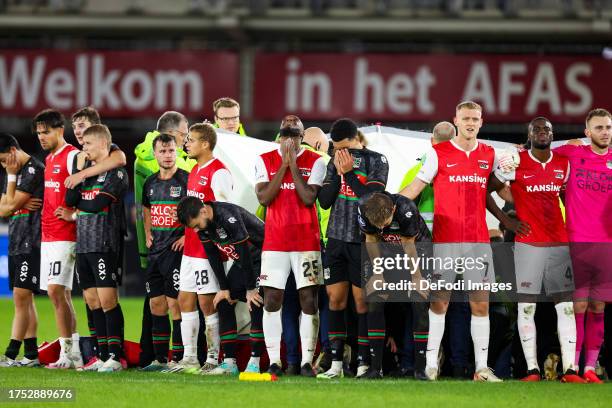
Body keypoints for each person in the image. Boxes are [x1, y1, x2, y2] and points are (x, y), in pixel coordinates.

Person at [400, 101, 502, 382]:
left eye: (475, 118)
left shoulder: (489, 155)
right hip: (444, 241)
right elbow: (415, 188)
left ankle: (481, 368)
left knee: (480, 305)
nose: (470, 123)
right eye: (466, 118)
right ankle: (431, 365)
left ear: (482, 122)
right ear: (456, 119)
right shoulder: (437, 153)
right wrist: (391, 203)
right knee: (439, 304)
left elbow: (502, 193)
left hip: (478, 242)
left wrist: (514, 173)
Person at [487, 117, 583, 383]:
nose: (542, 133)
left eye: (547, 130)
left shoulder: (563, 165)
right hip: (528, 244)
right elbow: (487, 191)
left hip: (559, 242)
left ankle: (571, 371)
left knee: (565, 307)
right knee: (526, 307)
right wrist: (506, 221)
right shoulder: (515, 162)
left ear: (553, 135)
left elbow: (568, 199)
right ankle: (532, 370)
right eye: (537, 129)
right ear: (529, 134)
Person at [255, 114, 326, 376]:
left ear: (302, 137)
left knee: (309, 299)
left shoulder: (316, 161)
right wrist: (283, 165)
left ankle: (307, 361)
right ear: (280, 136)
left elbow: (308, 198)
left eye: (295, 135)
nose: (290, 139)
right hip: (275, 243)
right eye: (285, 134)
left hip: (307, 242)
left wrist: (291, 165)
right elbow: (264, 198)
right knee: (272, 300)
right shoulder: (263, 159)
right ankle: (275, 360)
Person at [317, 118, 389, 379]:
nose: (341, 153)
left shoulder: (377, 161)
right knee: (335, 300)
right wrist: (337, 172)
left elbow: (371, 201)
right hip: (335, 239)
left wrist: (348, 172)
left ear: (355, 139)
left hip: (363, 242)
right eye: (336, 149)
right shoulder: (334, 160)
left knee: (361, 303)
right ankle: (336, 364)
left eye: (344, 148)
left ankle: (362, 363)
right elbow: (324, 202)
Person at [64, 106, 128, 363]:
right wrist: (78, 171)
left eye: (88, 143)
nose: (84, 148)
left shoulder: (116, 173)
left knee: (107, 300)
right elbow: (70, 198)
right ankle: (101, 357)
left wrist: (78, 196)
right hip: (83, 245)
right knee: (92, 301)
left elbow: (94, 205)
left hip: (104, 244)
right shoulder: (85, 171)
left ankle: (116, 355)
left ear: (103, 143)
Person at [553, 109, 612, 383]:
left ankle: (590, 368)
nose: (605, 132)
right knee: (577, 306)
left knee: (598, 307)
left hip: (607, 246)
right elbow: (540, 151)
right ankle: (572, 367)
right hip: (576, 241)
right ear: (587, 132)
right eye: (599, 127)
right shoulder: (572, 153)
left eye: (608, 127)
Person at [169, 122, 233, 374]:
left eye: (191, 140)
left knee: (207, 303)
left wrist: (215, 243)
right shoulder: (195, 169)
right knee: (184, 298)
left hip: (208, 250)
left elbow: (223, 211)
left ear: (205, 144)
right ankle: (190, 358)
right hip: (190, 248)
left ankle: (213, 358)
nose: (187, 144)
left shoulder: (219, 172)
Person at [177, 196, 266, 375]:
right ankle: (229, 363)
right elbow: (213, 256)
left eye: (196, 225)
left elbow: (245, 253)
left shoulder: (228, 215)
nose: (195, 231)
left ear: (203, 211)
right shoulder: (203, 226)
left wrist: (250, 289)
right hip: (244, 263)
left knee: (255, 302)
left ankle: (254, 361)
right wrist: (224, 288)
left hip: (265, 259)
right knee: (223, 301)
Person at [357, 191, 432, 379]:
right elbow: (371, 240)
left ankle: (420, 369)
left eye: (386, 223)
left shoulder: (407, 208)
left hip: (416, 250)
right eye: (378, 225)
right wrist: (377, 273)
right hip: (386, 253)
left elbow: (409, 245)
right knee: (374, 299)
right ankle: (375, 369)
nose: (382, 227)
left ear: (394, 209)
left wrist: (416, 278)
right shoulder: (364, 207)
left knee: (419, 300)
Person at [33, 109, 84, 369]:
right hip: (48, 235)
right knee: (59, 293)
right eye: (39, 133)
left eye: (46, 132)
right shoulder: (49, 158)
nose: (42, 137)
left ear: (59, 130)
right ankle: (72, 352)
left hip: (66, 235)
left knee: (55, 291)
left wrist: (75, 214)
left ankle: (68, 353)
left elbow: (90, 187)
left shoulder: (73, 156)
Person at [140, 134, 189, 371]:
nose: (168, 155)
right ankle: (160, 359)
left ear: (177, 152)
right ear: (155, 153)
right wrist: (148, 232)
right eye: (163, 151)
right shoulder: (150, 183)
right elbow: (146, 209)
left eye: (171, 151)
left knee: (175, 303)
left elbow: (198, 211)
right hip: (155, 253)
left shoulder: (186, 181)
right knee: (156, 305)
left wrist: (186, 235)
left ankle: (178, 359)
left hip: (176, 252)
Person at [0, 134, 44, 367]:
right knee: (26, 300)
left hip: (32, 240)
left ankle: (10, 353)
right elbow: (3, 210)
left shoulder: (33, 169)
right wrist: (14, 200)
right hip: (16, 240)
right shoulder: (11, 172)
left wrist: (11, 181)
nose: (2, 164)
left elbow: (10, 204)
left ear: (13, 150)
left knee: (21, 296)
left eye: (3, 158)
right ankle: (31, 354)